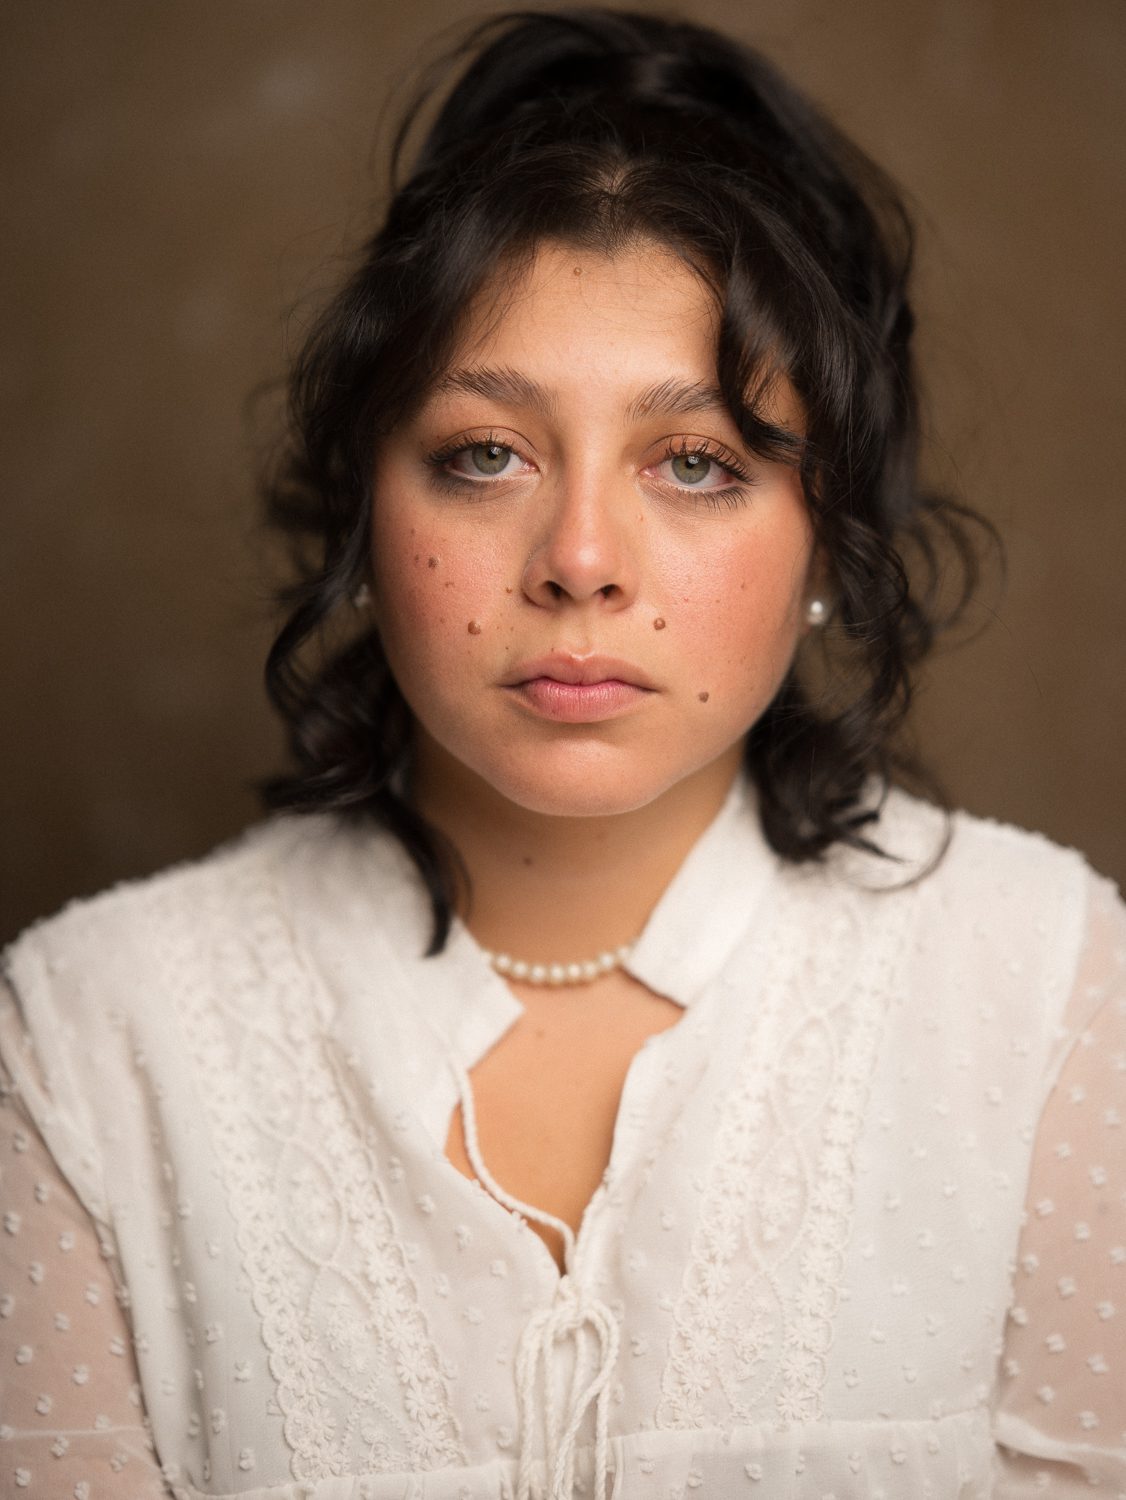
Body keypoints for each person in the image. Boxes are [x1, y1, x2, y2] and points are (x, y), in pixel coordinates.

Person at [1, 8, 1123, 1497]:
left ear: (828, 536)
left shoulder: (1045, 986)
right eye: (487, 455)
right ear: (364, 517)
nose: (581, 559)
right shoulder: (90, 1037)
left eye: (697, 463)